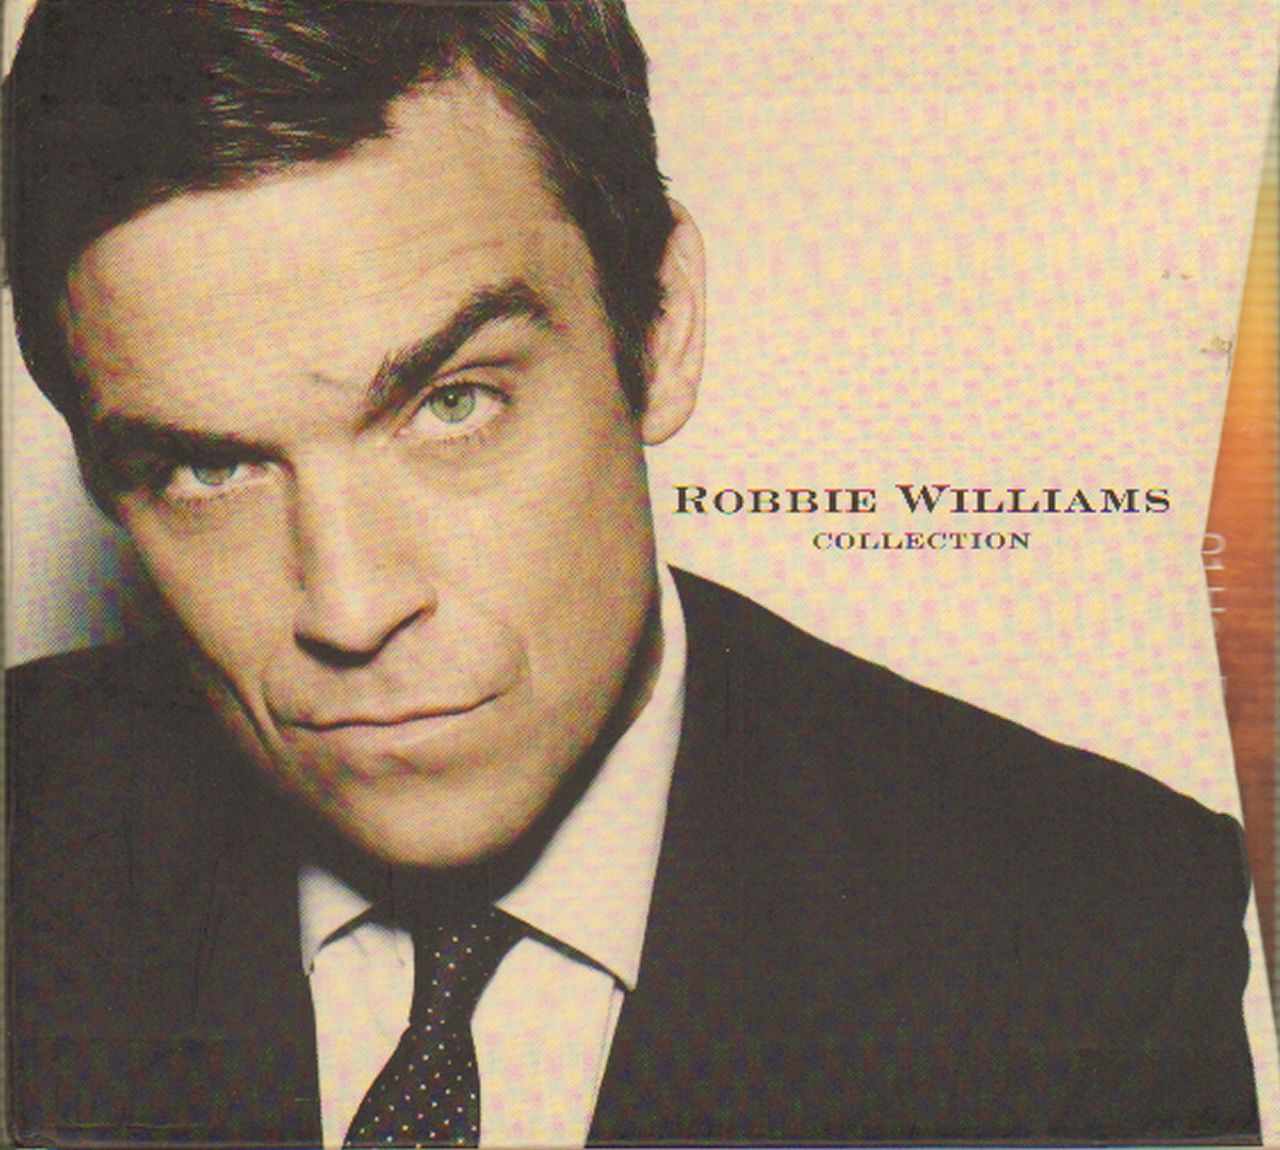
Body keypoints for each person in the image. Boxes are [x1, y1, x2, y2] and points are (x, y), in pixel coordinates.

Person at [2, 1, 1260, 1145]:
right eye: (206, 469)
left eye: (453, 403)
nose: (349, 605)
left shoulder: (1084, 931)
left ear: (657, 329)